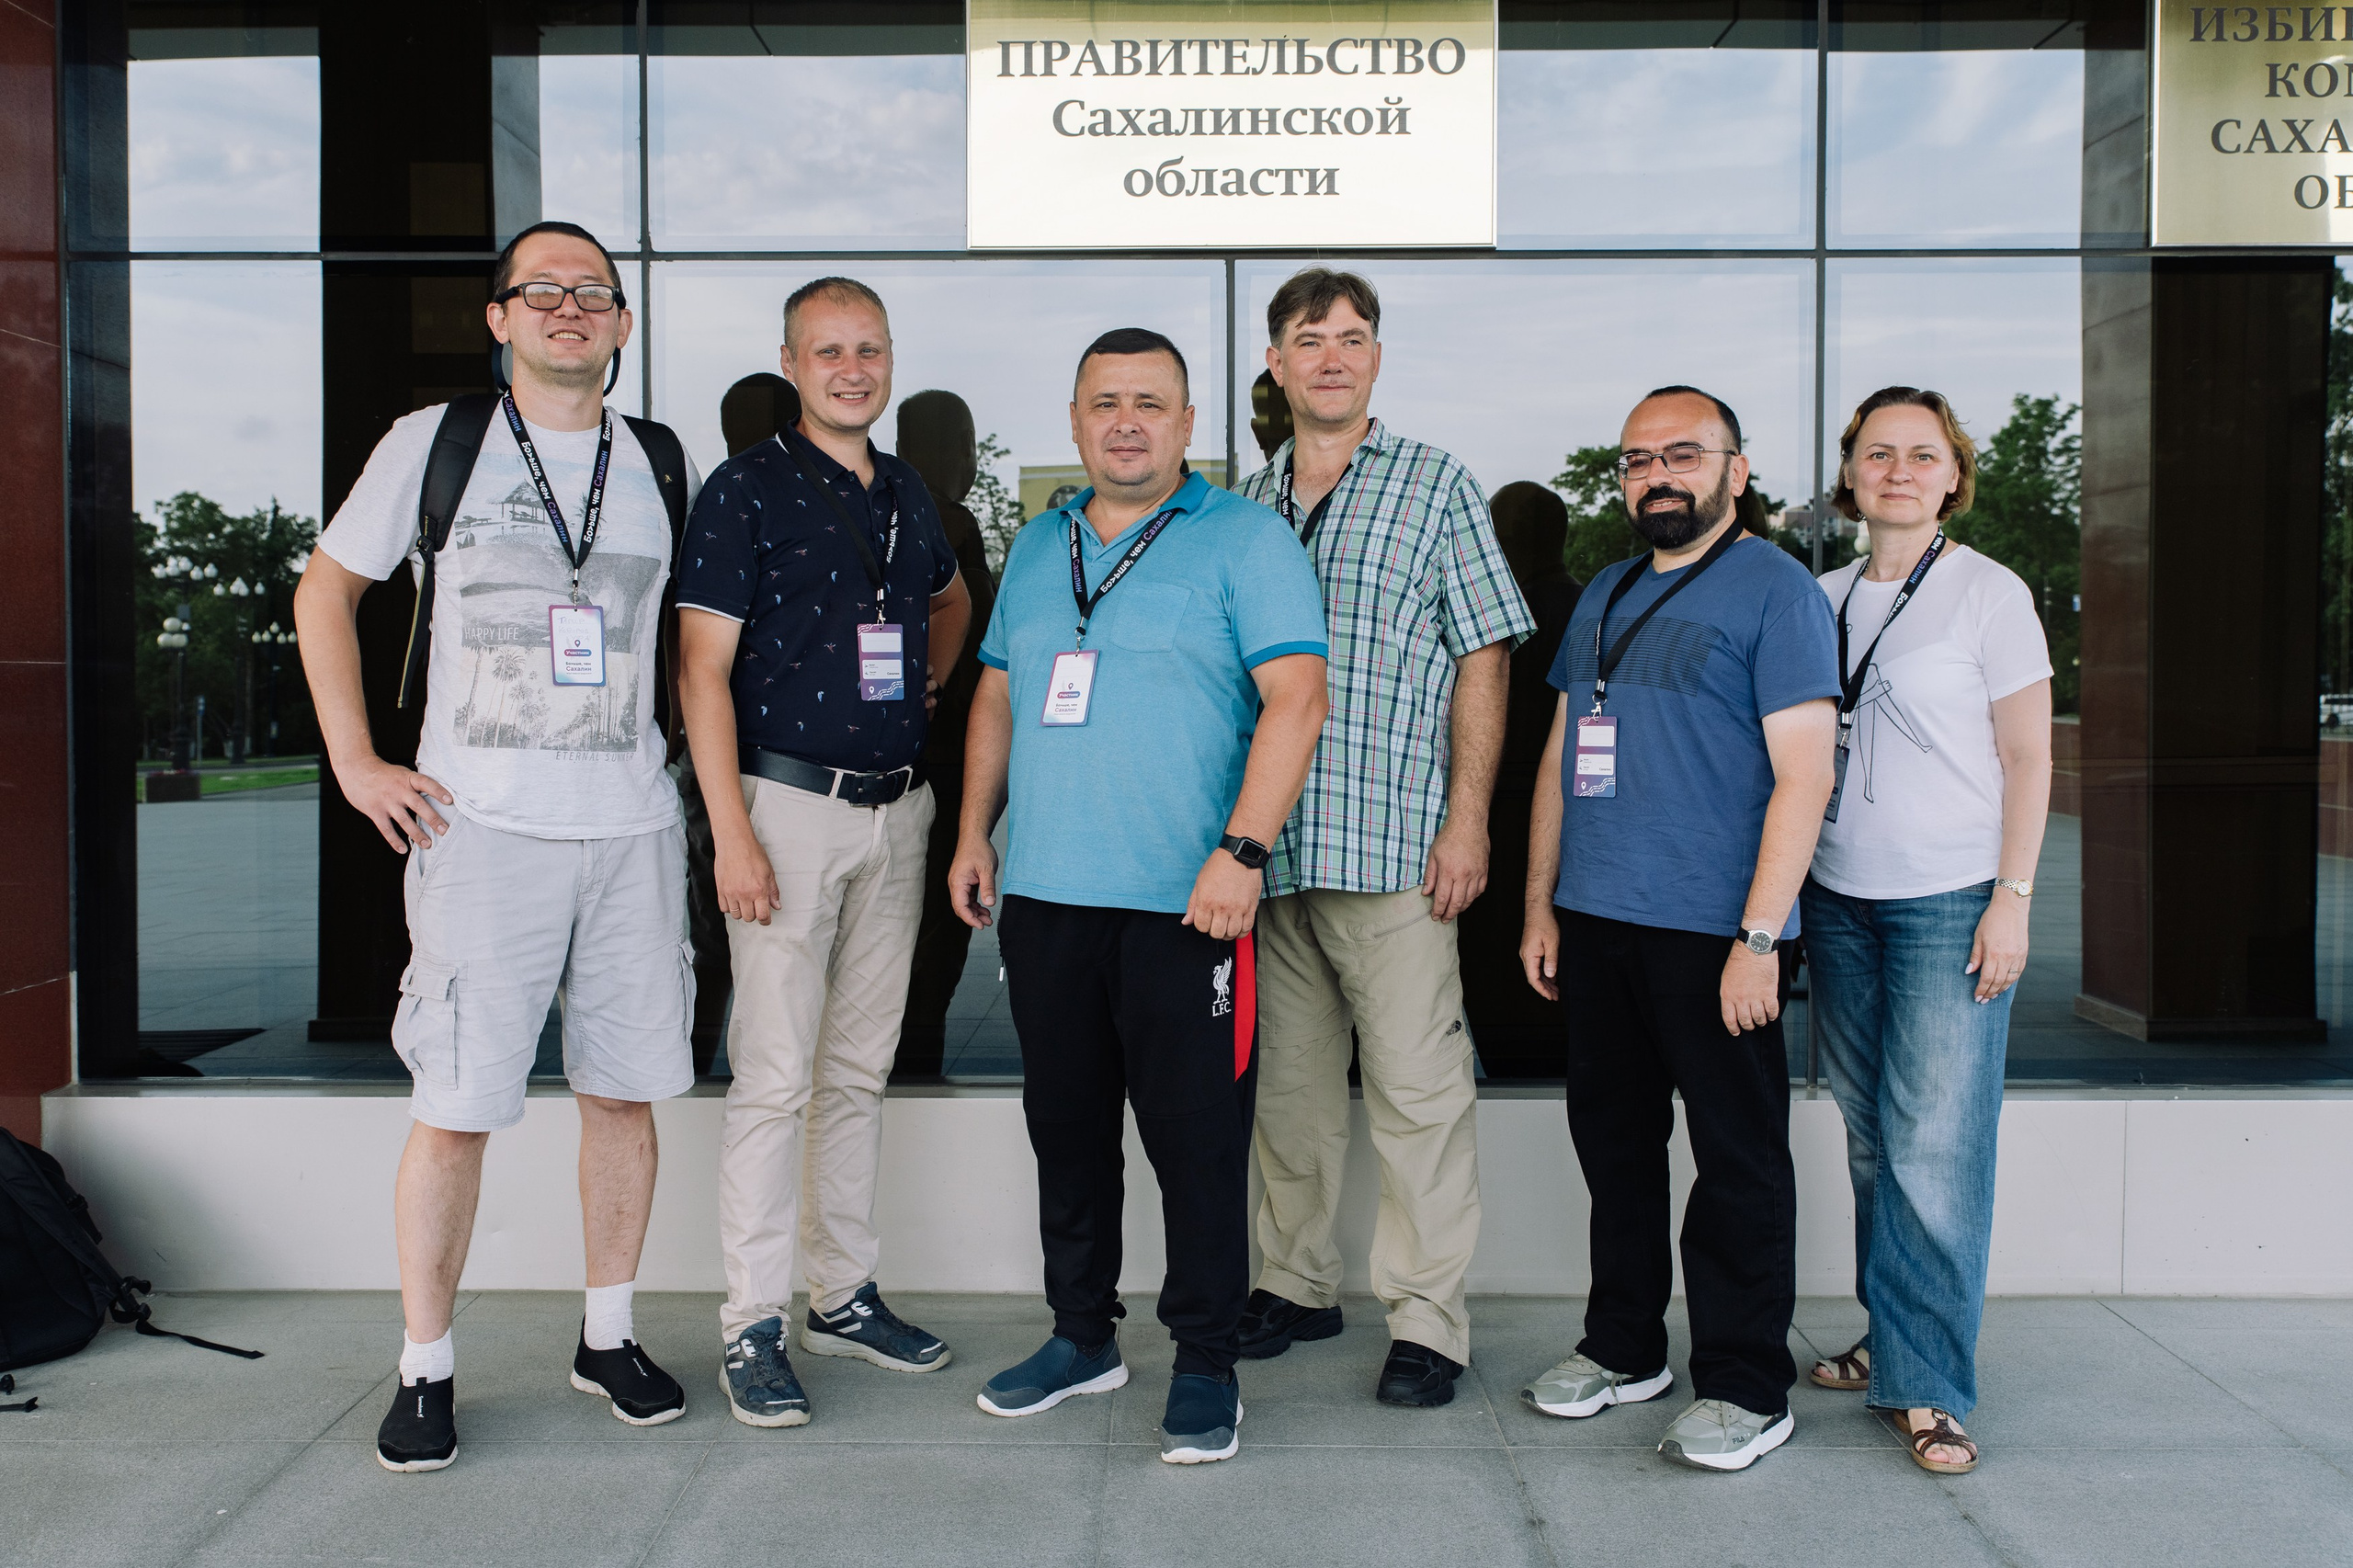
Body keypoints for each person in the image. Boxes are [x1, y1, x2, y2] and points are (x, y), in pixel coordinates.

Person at [295, 221, 702, 1472]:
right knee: (459, 1105)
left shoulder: (661, 461)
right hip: (484, 830)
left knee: (623, 1094)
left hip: (632, 824)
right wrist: (359, 763)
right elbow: (326, 591)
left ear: (626, 324)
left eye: (594, 293)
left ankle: (608, 1334)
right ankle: (426, 1364)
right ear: (500, 318)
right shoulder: (435, 445)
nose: (569, 309)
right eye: (542, 292)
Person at [949, 327, 1328, 1464]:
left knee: (1197, 1144)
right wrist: (975, 828)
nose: (1127, 420)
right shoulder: (1038, 544)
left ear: (1187, 425)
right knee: (1066, 1133)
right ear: (1074, 421)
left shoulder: (1245, 539)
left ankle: (1206, 1361)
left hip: (1189, 905)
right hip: (1051, 898)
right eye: (1106, 401)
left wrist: (1243, 853)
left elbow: (1296, 699)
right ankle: (1081, 1337)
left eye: (1150, 403)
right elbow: (1000, 696)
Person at [1518, 385, 1839, 1472]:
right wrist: (1539, 902)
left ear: (1735, 472)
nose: (1656, 474)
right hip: (1599, 920)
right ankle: (1623, 1346)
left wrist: (1760, 936)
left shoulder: (1777, 591)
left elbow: (1806, 774)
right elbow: (1563, 756)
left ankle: (1749, 1385)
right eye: (1636, 459)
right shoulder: (1604, 588)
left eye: (1682, 454)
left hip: (1716, 934)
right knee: (1615, 1148)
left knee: (1737, 1159)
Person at [1231, 268, 1533, 1406]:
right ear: (1276, 361)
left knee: (1418, 1091)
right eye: (1310, 340)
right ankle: (1297, 1284)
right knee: (1290, 1094)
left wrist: (1469, 819)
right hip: (1274, 853)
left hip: (1394, 843)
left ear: (1374, 358)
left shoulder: (1434, 484)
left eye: (1353, 338)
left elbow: (1485, 652)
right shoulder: (1245, 504)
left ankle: (1427, 1321)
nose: (1332, 357)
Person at [675, 277, 973, 1427]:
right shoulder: (744, 491)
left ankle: (842, 1293)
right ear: (791, 362)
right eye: (829, 350)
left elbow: (943, 607)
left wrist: (936, 672)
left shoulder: (905, 489)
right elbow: (700, 670)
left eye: (870, 349)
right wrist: (732, 832)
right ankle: (754, 1320)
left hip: (898, 814)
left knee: (855, 1072)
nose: (853, 368)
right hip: (785, 812)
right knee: (773, 1079)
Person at [1799, 387, 2053, 1476]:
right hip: (1836, 895)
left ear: (1953, 475)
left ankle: (1933, 1385)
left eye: (1921, 454)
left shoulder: (1987, 595)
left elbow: (2031, 759)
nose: (1897, 470)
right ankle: (1890, 1334)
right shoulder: (1819, 595)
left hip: (1950, 894)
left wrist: (2014, 896)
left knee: (1935, 1144)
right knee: (1870, 1137)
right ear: (1850, 473)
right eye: (1876, 453)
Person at [893, 389, 1000, 1080]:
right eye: (960, 443)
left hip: (907, 767)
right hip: (943, 763)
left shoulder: (894, 515)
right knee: (932, 938)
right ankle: (916, 1067)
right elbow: (989, 657)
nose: (966, 458)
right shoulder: (949, 524)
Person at [1460, 482, 1584, 1075]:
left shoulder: (1499, 620)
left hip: (1505, 816)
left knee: (1500, 969)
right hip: (1557, 818)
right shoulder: (1586, 608)